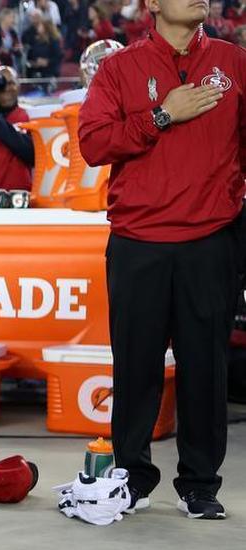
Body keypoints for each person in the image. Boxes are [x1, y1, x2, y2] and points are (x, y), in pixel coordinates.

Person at [79, 0, 246, 520]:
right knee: (136, 366)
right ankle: (131, 476)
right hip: (137, 240)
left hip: (212, 238)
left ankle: (200, 484)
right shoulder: (118, 68)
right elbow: (93, 143)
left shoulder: (234, 62)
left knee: (205, 366)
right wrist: (161, 114)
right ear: (152, 3)